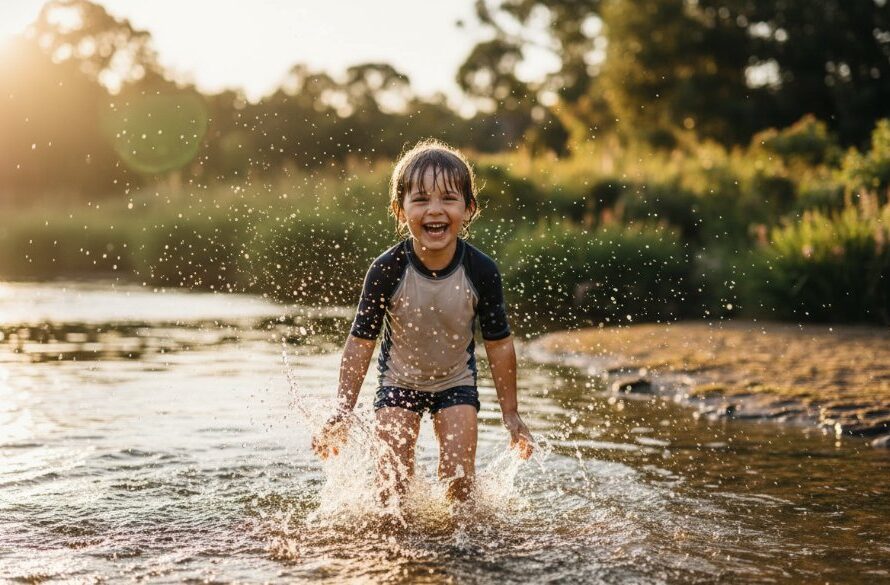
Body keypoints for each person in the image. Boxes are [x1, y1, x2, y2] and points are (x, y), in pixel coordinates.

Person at [311, 139, 533, 502]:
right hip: (399, 382)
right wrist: (342, 411)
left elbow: (499, 343)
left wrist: (511, 415)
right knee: (391, 487)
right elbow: (361, 341)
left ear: (469, 208)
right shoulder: (386, 269)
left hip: (456, 383)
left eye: (448, 198)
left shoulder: (481, 270)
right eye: (421, 199)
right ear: (400, 210)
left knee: (460, 484)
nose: (435, 210)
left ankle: (458, 550)